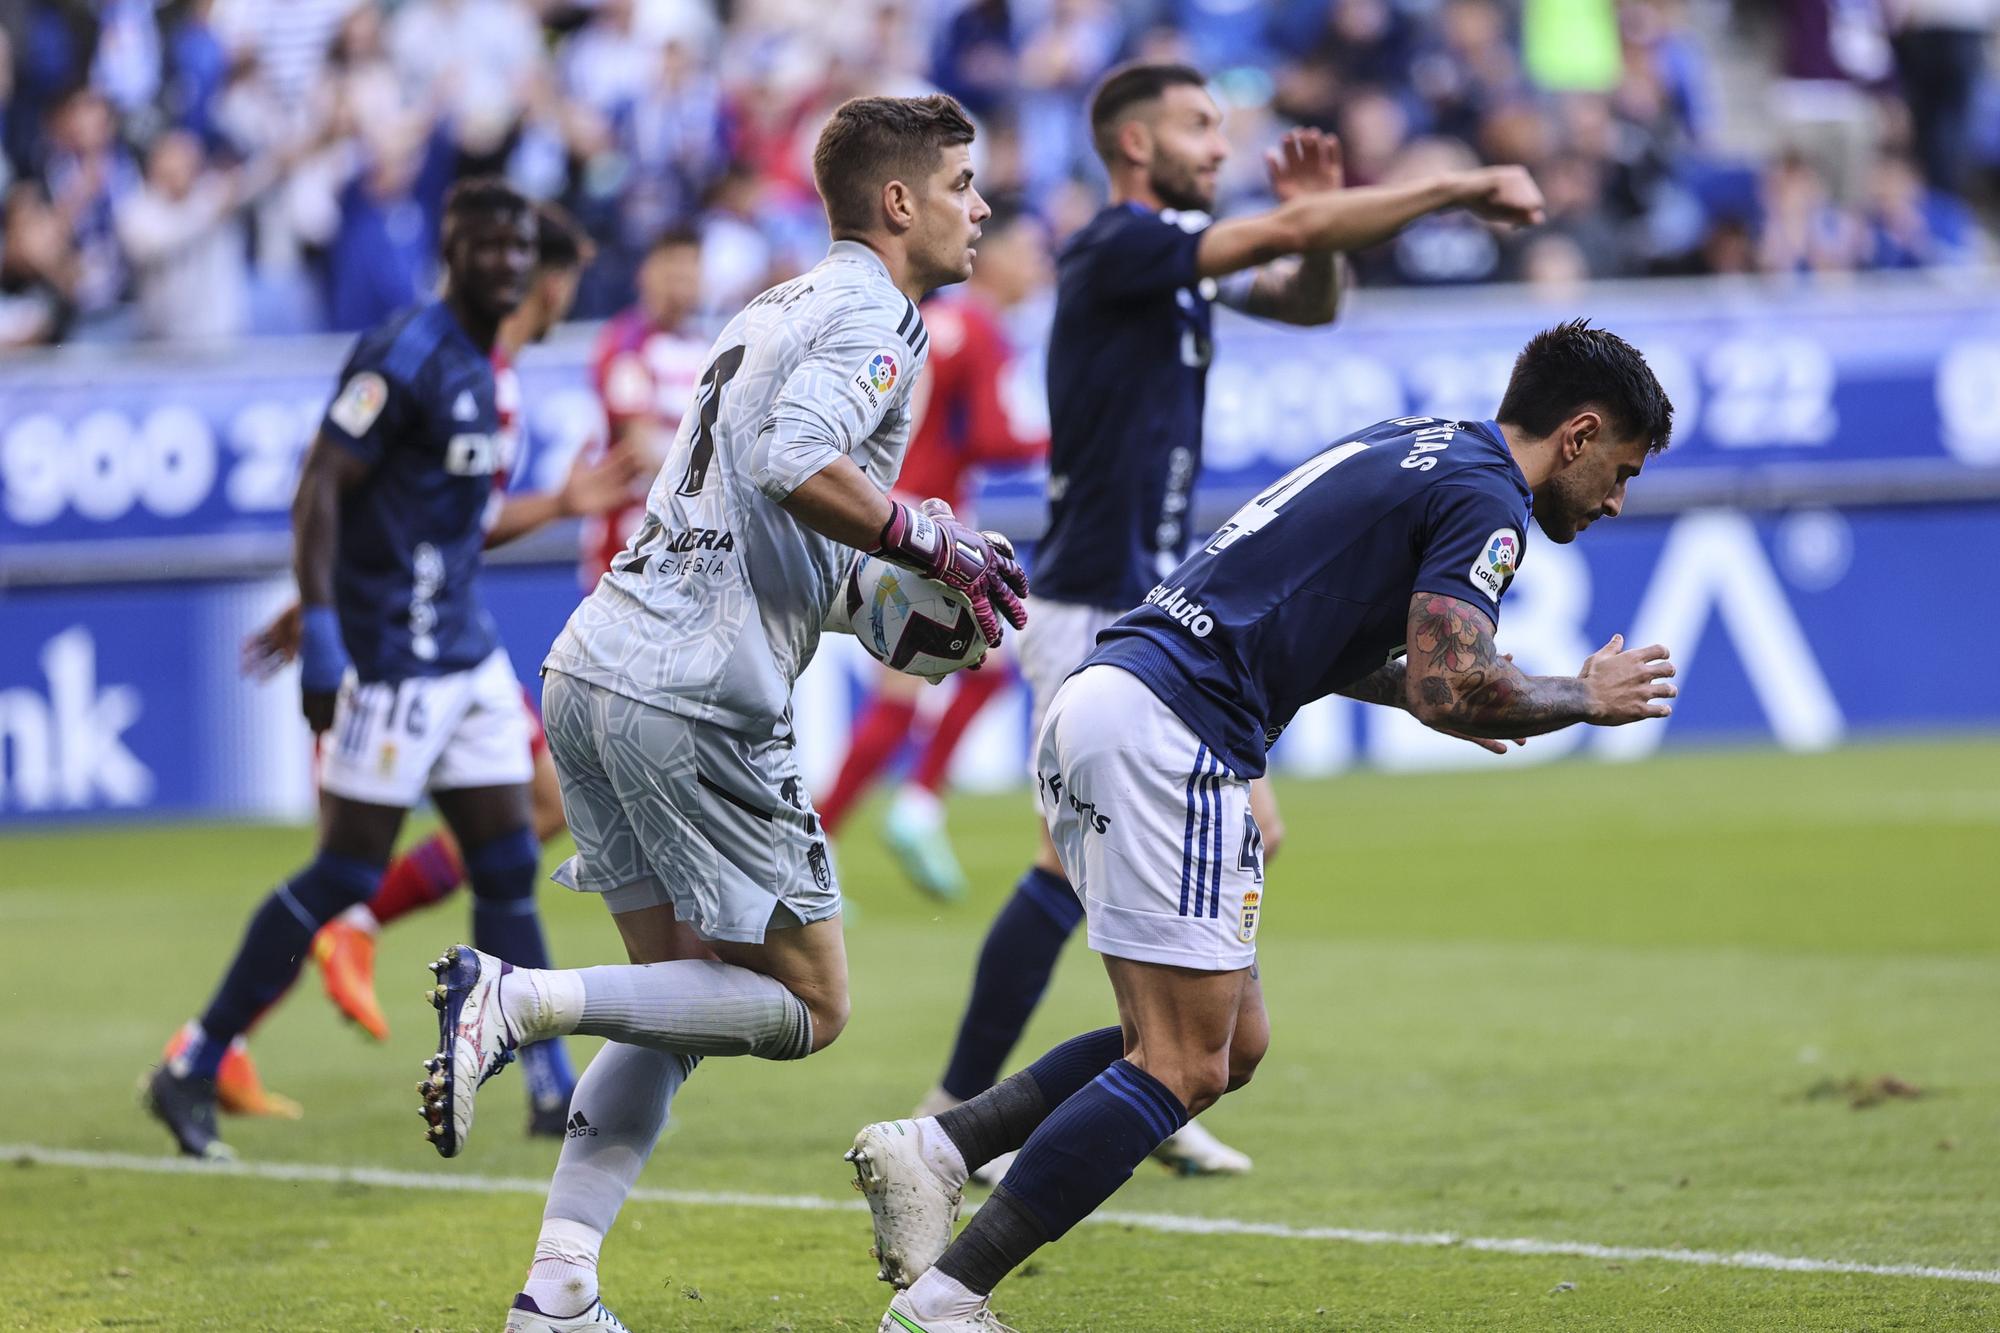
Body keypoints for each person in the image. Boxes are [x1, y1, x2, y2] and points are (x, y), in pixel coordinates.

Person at [857, 320, 1681, 1333]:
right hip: (1174, 734)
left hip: (1112, 699)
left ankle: (936, 1148)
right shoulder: (1485, 498)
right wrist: (1579, 695)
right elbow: (1446, 679)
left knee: (1224, 1045)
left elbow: (1345, 646)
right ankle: (944, 1302)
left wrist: (1466, 693)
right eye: (1619, 470)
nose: (1612, 498)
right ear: (1579, 432)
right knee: (1180, 1062)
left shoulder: (1415, 441)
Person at [406, 95, 1024, 1333]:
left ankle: (558, 1291)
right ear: (897, 202)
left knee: (674, 1000)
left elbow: (764, 514)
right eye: (962, 183)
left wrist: (892, 603)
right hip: (698, 695)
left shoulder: (772, 305)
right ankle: (515, 999)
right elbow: (796, 461)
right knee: (808, 1006)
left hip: (594, 662)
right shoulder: (881, 316)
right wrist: (937, 547)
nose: (983, 207)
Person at [919, 60, 1546, 1182]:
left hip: (1156, 597)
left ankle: (1155, 1072)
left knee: (1213, 840)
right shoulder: (1118, 245)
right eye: (1197, 127)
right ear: (1130, 146)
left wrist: (1314, 236)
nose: (1219, 145)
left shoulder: (1173, 268)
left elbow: (1306, 302)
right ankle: (986, 1101)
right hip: (1099, 596)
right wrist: (1439, 190)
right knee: (1077, 869)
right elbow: (1258, 249)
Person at [187, 202, 639, 1136]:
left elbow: (433, 519)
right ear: (454, 253)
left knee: (511, 860)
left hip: (464, 653)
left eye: (519, 249)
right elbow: (324, 483)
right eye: (493, 246)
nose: (511, 266)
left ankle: (549, 1084)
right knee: (345, 870)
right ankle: (198, 1054)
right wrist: (317, 624)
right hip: (396, 658)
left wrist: (558, 500)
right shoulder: (407, 356)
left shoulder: (480, 370)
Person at [815, 204, 1053, 900]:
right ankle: (864, 826)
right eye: (1031, 250)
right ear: (999, 257)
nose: (1039, 266)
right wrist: (1061, 441)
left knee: (974, 670)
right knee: (939, 675)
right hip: (920, 523)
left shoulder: (932, 323)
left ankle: (891, 816)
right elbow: (988, 435)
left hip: (890, 508)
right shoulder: (979, 328)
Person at [580, 225, 708, 591]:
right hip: (630, 539)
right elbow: (641, 448)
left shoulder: (705, 347)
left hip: (685, 543)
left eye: (690, 267)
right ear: (646, 273)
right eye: (672, 267)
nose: (681, 279)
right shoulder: (626, 345)